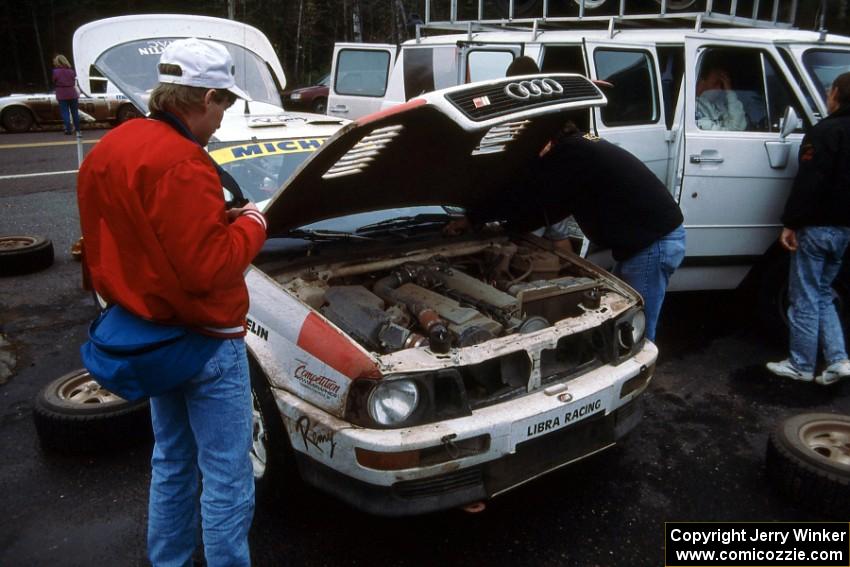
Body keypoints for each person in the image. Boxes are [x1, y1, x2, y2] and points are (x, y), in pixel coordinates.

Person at [77, 38, 266, 566]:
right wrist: (252, 223)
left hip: (149, 334)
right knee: (228, 475)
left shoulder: (112, 147)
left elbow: (113, 241)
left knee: (172, 460)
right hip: (205, 341)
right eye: (223, 104)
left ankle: (169, 561)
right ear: (204, 97)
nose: (224, 119)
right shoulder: (185, 163)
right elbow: (209, 270)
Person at [533, 124, 686, 342]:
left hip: (653, 244)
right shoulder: (582, 144)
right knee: (621, 316)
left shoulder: (570, 152)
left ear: (548, 142)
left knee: (633, 327)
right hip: (649, 242)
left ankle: (638, 371)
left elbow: (548, 203)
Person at [766, 72, 850, 386]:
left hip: (817, 228)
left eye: (830, 90)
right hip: (844, 230)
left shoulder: (826, 131)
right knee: (824, 293)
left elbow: (809, 183)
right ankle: (838, 360)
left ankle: (801, 364)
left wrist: (791, 223)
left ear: (837, 94)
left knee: (803, 295)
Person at [695, 60, 747, 131]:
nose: (720, 88)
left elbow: (740, 127)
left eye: (722, 84)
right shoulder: (692, 107)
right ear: (701, 81)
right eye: (716, 83)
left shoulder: (718, 105)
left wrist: (729, 91)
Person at [52, 54, 80, 135]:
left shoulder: (55, 71)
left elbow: (54, 81)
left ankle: (68, 129)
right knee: (74, 112)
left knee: (65, 112)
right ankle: (77, 128)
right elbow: (74, 80)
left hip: (61, 93)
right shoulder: (71, 71)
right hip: (72, 92)